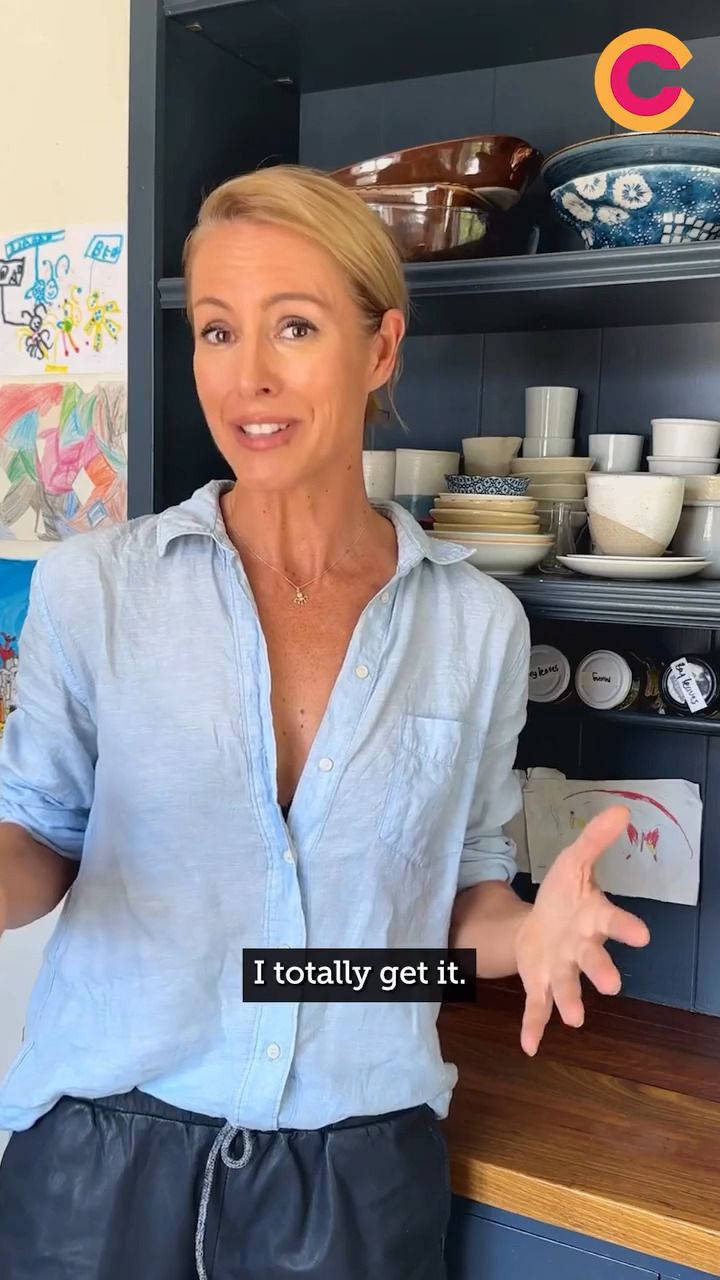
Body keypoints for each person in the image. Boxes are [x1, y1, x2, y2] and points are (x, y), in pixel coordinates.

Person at [0, 165, 650, 1280]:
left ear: (381, 347)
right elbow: (41, 841)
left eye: (294, 326)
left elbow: (457, 906)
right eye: (216, 330)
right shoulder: (95, 588)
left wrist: (527, 935)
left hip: (355, 1179)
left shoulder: (476, 625)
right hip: (98, 1162)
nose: (247, 374)